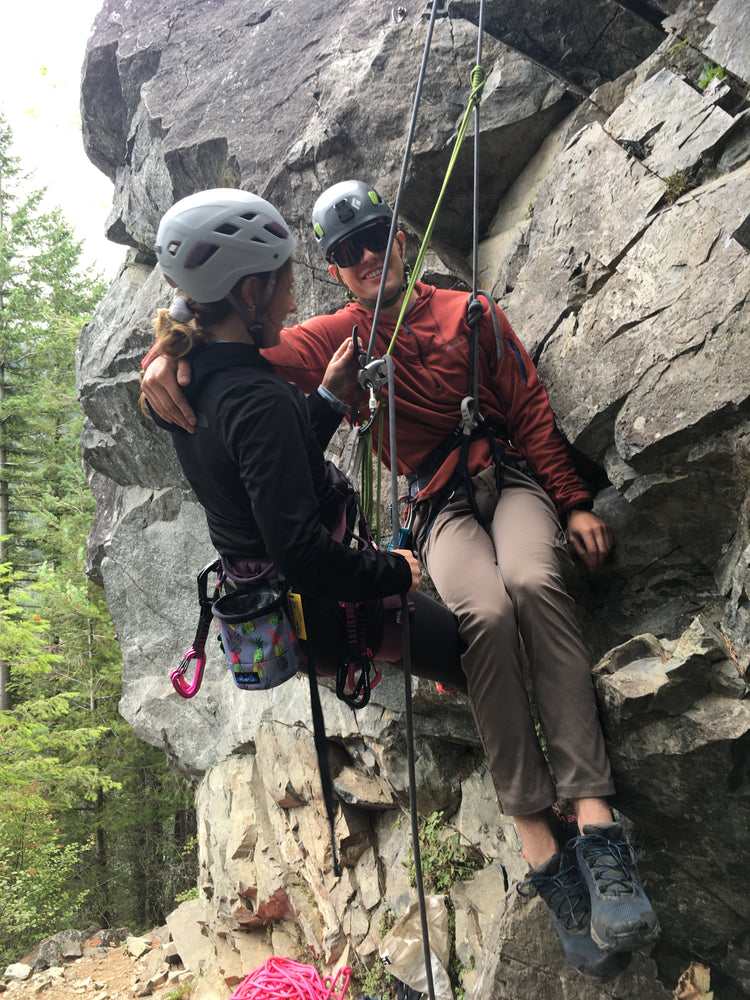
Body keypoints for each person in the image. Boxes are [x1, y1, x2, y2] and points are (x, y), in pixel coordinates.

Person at [142, 181, 659, 978]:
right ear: (332, 272)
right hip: (439, 502)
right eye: (346, 252)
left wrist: (576, 499)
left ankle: (596, 825)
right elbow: (234, 361)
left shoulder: (473, 314)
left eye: (378, 237)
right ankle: (539, 841)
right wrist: (163, 361)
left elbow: (527, 411)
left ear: (406, 237)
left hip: (511, 478)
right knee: (480, 614)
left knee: (532, 581)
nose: (366, 256)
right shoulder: (337, 336)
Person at [145, 187, 466, 700]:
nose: (292, 302)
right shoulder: (258, 399)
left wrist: (329, 399)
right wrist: (392, 570)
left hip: (277, 605)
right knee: (468, 652)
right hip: (328, 606)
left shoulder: (188, 380)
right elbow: (304, 556)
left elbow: (270, 471)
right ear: (250, 293)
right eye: (286, 287)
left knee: (446, 654)